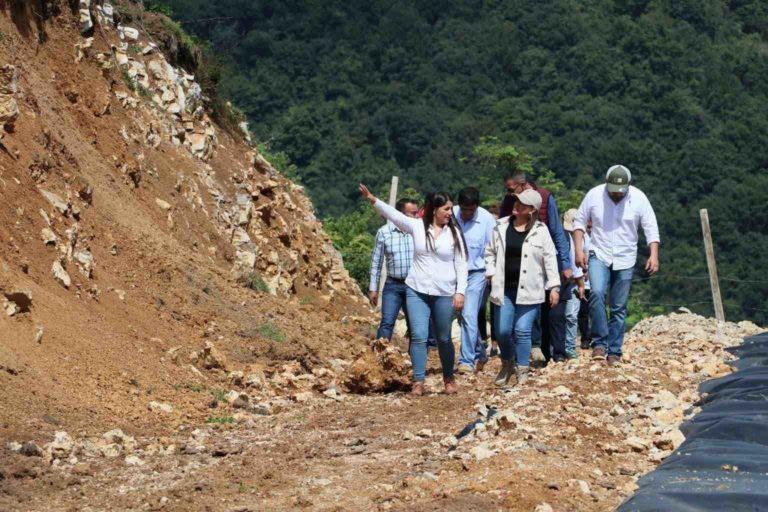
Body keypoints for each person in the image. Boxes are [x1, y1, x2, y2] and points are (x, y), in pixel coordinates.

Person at [359, 184, 467, 395]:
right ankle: (418, 380)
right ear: (433, 209)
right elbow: (393, 215)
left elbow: (462, 264)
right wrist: (373, 199)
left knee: (444, 338)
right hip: (416, 289)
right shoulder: (417, 227)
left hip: (444, 292)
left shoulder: (454, 233)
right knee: (418, 336)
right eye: (445, 209)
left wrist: (460, 291)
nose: (449, 213)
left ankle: (448, 377)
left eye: (450, 209)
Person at [573, 165, 660, 366]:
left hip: (626, 256)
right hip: (599, 252)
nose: (616, 194)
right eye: (613, 190)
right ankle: (599, 343)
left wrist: (653, 254)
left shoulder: (639, 198)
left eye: (621, 191)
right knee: (596, 293)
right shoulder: (594, 195)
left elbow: (651, 227)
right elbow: (579, 222)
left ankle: (615, 351)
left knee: (619, 306)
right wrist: (579, 250)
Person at [485, 189, 560, 387]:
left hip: (530, 289)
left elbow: (550, 259)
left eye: (522, 204)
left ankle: (522, 370)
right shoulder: (500, 227)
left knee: (522, 331)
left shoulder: (541, 231)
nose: (516, 206)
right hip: (504, 289)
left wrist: (554, 286)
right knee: (501, 331)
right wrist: (490, 272)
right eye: (516, 202)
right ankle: (507, 361)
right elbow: (490, 253)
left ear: (531, 210)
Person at [500, 173, 572, 364]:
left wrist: (565, 264)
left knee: (551, 309)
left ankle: (554, 353)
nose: (507, 194)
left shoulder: (545, 198)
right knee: (521, 311)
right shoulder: (509, 202)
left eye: (510, 189)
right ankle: (525, 351)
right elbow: (500, 231)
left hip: (542, 256)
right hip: (516, 263)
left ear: (522, 185)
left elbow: (556, 231)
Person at [452, 188, 496, 374]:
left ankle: (466, 361)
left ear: (477, 206)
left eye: (471, 210)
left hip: (476, 273)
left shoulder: (487, 220)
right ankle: (479, 350)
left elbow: (492, 248)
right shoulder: (451, 214)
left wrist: (491, 274)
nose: (467, 214)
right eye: (464, 209)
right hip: (453, 273)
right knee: (462, 317)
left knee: (469, 315)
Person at [369, 197, 419, 341]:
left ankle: (415, 360)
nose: (416, 217)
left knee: (416, 326)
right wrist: (373, 288)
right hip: (393, 285)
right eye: (413, 213)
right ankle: (380, 356)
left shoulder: (417, 231)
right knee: (387, 323)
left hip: (414, 286)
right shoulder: (384, 233)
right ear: (400, 214)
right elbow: (376, 262)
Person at [561, 208, 586, 359]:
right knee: (561, 316)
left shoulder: (582, 239)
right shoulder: (563, 238)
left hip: (573, 282)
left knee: (571, 316)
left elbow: (577, 268)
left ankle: (570, 346)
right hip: (565, 281)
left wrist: (581, 285)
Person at [577, 219, 592, 350]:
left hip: (598, 278)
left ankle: (599, 336)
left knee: (599, 309)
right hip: (583, 279)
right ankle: (585, 337)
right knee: (583, 312)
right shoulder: (581, 236)